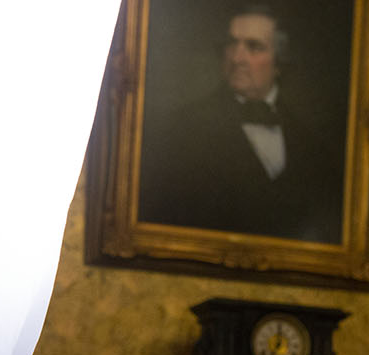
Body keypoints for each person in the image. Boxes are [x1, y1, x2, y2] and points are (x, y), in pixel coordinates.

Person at [137, 4, 345, 243]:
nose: (237, 57)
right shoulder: (183, 128)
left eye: (254, 47)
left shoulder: (311, 144)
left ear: (279, 62)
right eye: (231, 44)